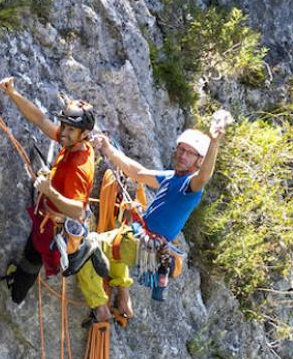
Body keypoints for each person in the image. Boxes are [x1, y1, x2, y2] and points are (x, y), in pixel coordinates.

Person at [78, 111, 232, 322]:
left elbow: (204, 176)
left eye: (190, 153)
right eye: (181, 149)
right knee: (116, 246)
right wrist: (108, 149)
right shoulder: (171, 177)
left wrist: (215, 142)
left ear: (199, 160)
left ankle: (99, 306)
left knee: (86, 245)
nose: (182, 155)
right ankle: (123, 299)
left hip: (141, 243)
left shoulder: (190, 186)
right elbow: (138, 173)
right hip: (139, 239)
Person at [0, 77, 108, 305]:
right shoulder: (73, 142)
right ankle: (20, 280)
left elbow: (77, 210)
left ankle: (17, 293)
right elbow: (40, 119)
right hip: (47, 218)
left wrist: (49, 191)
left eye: (70, 129)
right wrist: (13, 93)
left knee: (33, 258)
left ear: (84, 133)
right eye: (64, 126)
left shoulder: (79, 165)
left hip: (54, 226)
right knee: (32, 253)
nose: (63, 133)